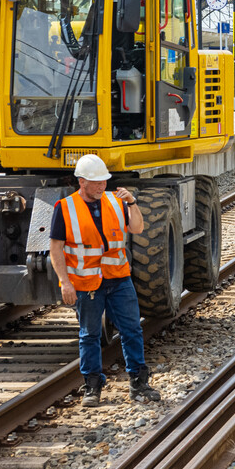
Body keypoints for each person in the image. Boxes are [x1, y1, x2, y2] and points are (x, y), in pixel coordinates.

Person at [49, 153, 161, 406]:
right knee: (89, 335)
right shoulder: (65, 208)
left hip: (119, 279)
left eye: (104, 181)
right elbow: (56, 248)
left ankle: (138, 383)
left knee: (132, 330)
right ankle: (92, 386)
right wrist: (65, 282)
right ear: (82, 182)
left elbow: (137, 228)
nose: (102, 186)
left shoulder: (115, 201)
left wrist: (132, 203)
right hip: (86, 284)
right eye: (97, 182)